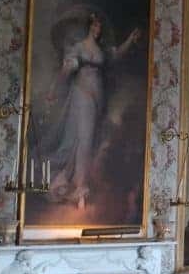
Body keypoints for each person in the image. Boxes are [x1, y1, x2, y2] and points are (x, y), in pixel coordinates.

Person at [44, 12, 140, 209]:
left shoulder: (101, 50)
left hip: (97, 98)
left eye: (99, 28)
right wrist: (53, 88)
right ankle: (79, 187)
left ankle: (78, 184)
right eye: (95, 26)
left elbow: (116, 54)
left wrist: (130, 40)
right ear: (89, 26)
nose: (97, 30)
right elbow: (66, 70)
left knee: (89, 140)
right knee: (82, 139)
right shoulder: (79, 48)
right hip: (82, 94)